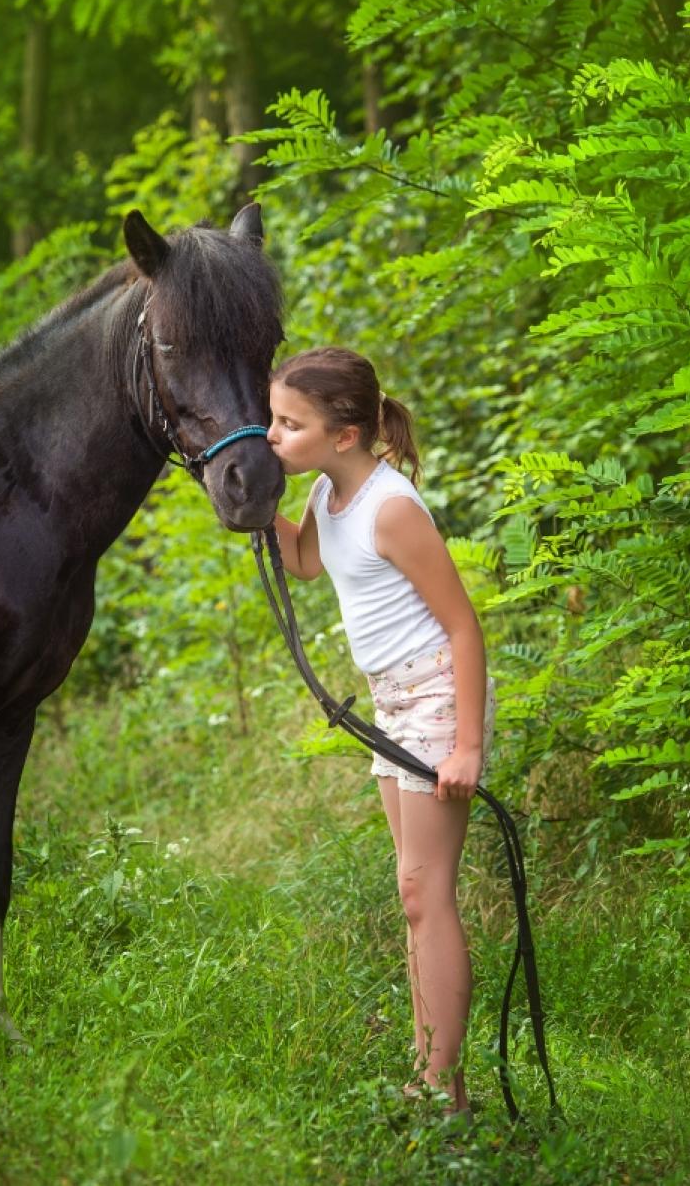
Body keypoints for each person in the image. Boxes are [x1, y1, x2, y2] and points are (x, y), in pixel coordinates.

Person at [267, 347, 496, 1116]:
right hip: (392, 703)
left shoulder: (390, 507)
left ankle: (442, 1091)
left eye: (289, 424)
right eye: (272, 419)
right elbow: (304, 560)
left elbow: (463, 627)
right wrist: (248, 497)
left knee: (425, 892)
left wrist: (467, 745)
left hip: (436, 696)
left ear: (344, 434)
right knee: (414, 894)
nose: (273, 434)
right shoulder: (329, 493)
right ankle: (436, 1075)